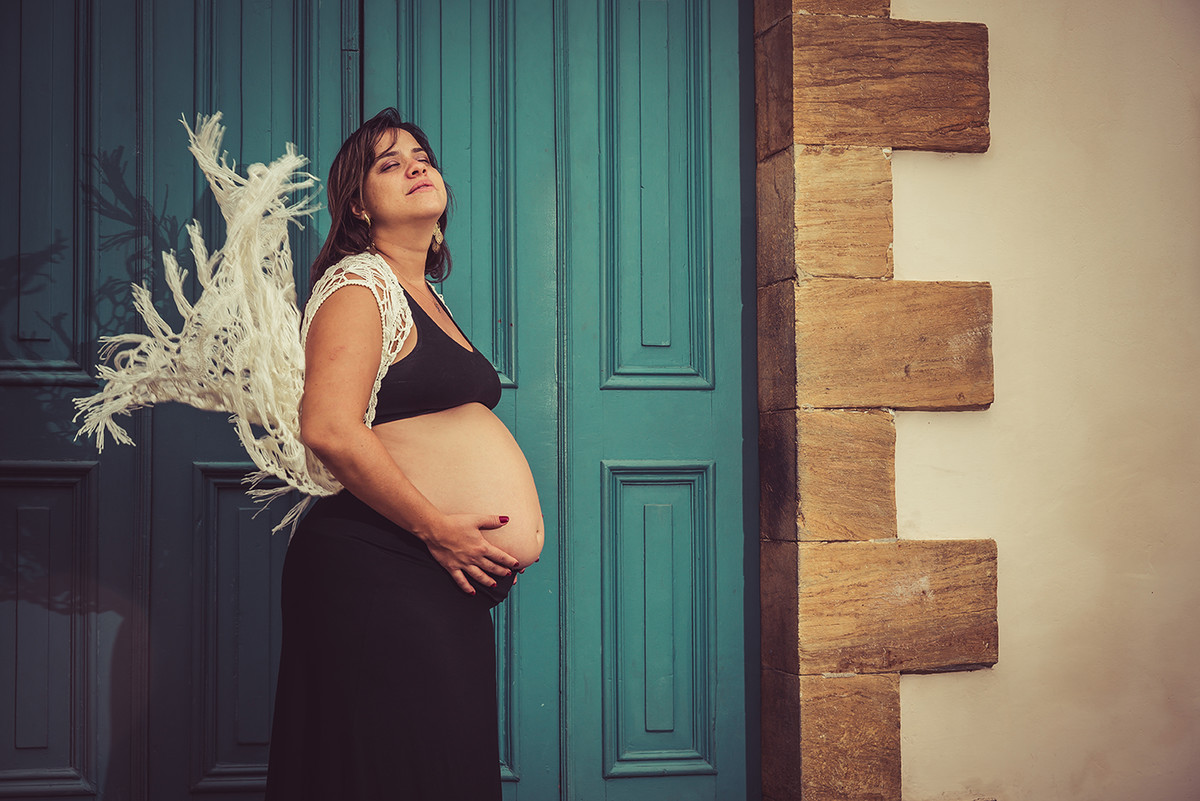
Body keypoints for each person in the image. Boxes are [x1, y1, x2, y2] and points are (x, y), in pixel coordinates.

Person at [263, 108, 545, 799]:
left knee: (439, 767)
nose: (417, 166)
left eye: (422, 155)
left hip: (430, 571)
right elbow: (329, 427)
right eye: (390, 163)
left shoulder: (423, 293)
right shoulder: (360, 285)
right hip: (377, 567)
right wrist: (437, 529)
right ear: (358, 204)